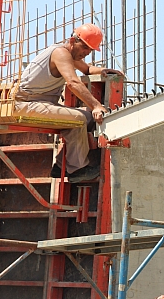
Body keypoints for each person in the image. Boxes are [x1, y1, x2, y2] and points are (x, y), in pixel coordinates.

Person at [14, 23, 123, 183]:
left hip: (39, 103)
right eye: (85, 48)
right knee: (81, 120)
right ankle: (77, 170)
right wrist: (96, 105)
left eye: (90, 50)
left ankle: (60, 166)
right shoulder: (60, 53)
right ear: (73, 40)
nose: (86, 53)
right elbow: (73, 82)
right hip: (27, 103)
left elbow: (86, 69)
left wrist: (103, 70)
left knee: (79, 120)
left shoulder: (68, 54)